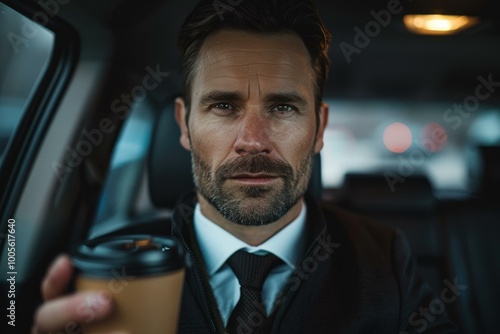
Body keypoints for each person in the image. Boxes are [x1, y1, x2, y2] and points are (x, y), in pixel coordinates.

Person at [33, 0, 458, 333]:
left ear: (319, 127)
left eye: (283, 107)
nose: (253, 140)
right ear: (184, 124)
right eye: (223, 105)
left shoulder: (382, 258)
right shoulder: (113, 268)